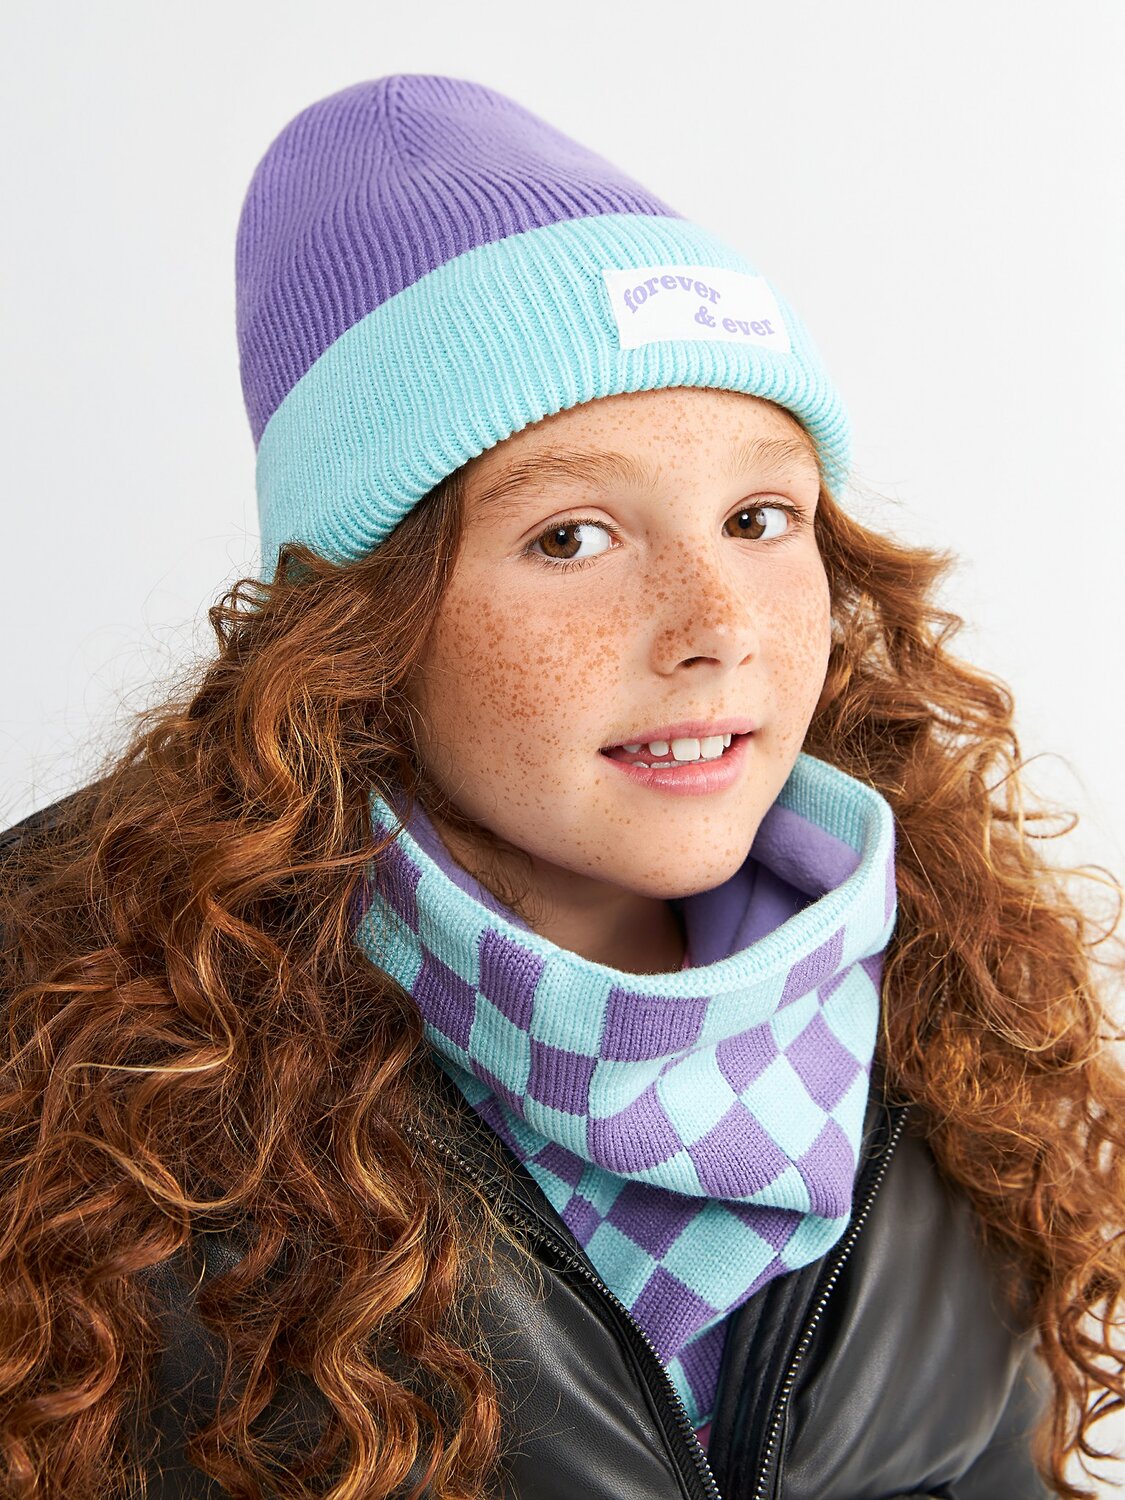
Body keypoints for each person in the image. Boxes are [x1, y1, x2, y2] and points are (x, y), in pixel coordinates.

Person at [1, 73, 1122, 1500]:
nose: (716, 624)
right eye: (573, 537)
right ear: (357, 623)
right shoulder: (76, 1064)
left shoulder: (962, 1008)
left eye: (760, 516)